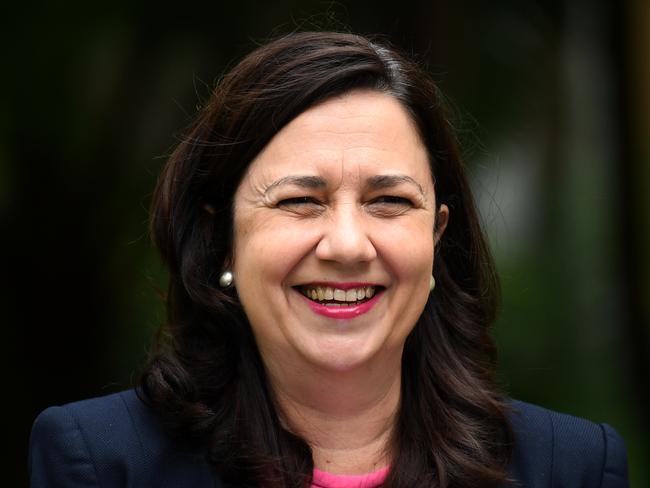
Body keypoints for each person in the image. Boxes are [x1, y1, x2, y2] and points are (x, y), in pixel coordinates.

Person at [29, 31, 629, 488]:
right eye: (300, 201)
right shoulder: (102, 461)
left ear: (437, 238)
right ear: (221, 237)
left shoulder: (570, 466)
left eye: (389, 201)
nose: (346, 245)